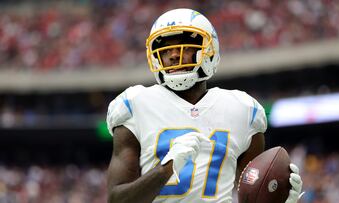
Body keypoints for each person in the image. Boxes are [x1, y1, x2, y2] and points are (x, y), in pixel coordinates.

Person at [106, 8, 303, 203]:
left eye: (185, 45)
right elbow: (117, 199)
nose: (174, 54)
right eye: (166, 48)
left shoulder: (243, 110)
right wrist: (166, 169)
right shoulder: (135, 105)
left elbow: (253, 194)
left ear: (209, 50)